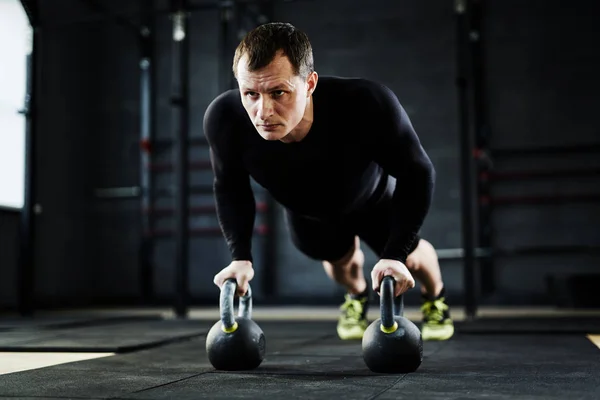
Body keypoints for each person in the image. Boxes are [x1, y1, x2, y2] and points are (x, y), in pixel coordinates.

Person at [204, 22, 454, 341]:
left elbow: (417, 172)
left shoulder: (365, 103)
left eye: (278, 92)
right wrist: (240, 257)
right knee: (342, 267)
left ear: (309, 83)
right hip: (309, 214)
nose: (262, 111)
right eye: (249, 93)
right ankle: (357, 296)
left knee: (414, 258)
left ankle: (437, 301)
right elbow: (230, 187)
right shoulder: (225, 119)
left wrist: (395, 254)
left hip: (373, 201)